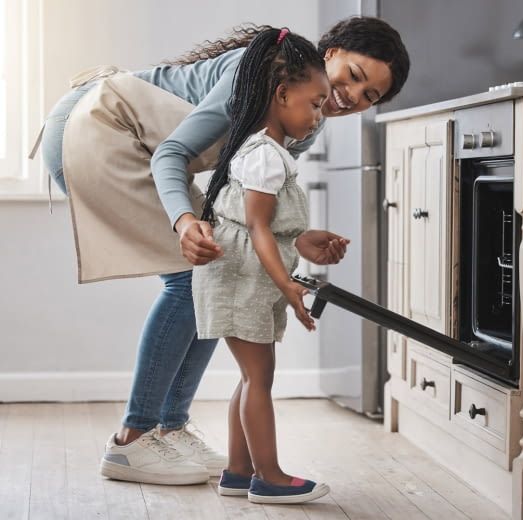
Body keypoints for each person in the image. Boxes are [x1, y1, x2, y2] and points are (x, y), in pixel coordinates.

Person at [37, 16, 409, 486]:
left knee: (221, 268)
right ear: (330, 52)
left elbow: (248, 204)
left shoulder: (306, 119)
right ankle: (134, 439)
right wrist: (184, 219)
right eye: (355, 77)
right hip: (93, 126)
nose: (353, 97)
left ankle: (169, 429)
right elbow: (170, 154)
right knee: (190, 277)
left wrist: (298, 237)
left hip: (128, 140)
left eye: (369, 96)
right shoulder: (261, 74)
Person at [192, 26, 333, 504]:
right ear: (281, 93)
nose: (319, 115)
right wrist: (290, 288)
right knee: (259, 377)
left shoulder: (267, 151)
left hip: (247, 278)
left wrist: (306, 244)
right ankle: (268, 476)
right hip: (242, 281)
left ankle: (238, 470)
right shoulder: (264, 156)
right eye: (315, 102)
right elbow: (257, 228)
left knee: (253, 375)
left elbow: (271, 227)